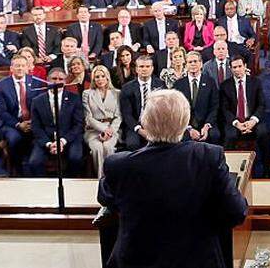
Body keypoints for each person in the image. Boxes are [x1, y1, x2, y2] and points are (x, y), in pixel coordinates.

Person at [97, 89, 248, 268]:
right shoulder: (208, 156)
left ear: (144, 122)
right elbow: (237, 211)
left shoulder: (118, 165)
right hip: (197, 260)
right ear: (185, 123)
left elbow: (105, 198)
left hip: (136, 260)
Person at [27, 66, 84, 176]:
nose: (57, 82)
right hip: (46, 139)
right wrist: (49, 144)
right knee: (34, 162)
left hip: (69, 138)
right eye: (54, 79)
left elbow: (78, 124)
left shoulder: (74, 98)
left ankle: (71, 184)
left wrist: (62, 141)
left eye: (60, 79)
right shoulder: (37, 101)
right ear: (47, 80)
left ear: (65, 81)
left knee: (75, 158)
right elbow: (36, 127)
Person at [220, 57, 270, 176]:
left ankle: (266, 170)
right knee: (229, 136)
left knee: (264, 133)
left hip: (253, 120)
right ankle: (229, 172)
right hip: (235, 122)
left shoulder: (255, 82)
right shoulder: (225, 86)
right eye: (234, 67)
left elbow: (262, 104)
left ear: (245, 66)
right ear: (230, 69)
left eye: (239, 66)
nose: (237, 70)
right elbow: (225, 109)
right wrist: (237, 123)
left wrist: (253, 121)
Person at [83, 64, 120, 177]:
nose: (100, 79)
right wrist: (104, 129)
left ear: (107, 77)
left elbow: (118, 116)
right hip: (93, 130)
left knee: (108, 147)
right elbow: (88, 118)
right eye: (97, 77)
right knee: (97, 148)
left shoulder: (117, 93)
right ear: (93, 79)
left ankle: (110, 177)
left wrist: (110, 131)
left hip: (112, 130)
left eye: (102, 76)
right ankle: (100, 179)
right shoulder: (87, 94)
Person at [174, 52, 219, 144]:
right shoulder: (178, 84)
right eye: (190, 62)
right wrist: (189, 128)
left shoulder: (210, 82)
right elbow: (177, 110)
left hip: (206, 123)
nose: (193, 64)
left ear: (201, 63)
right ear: (186, 65)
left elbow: (214, 107)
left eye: (195, 61)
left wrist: (207, 126)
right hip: (186, 125)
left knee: (215, 135)